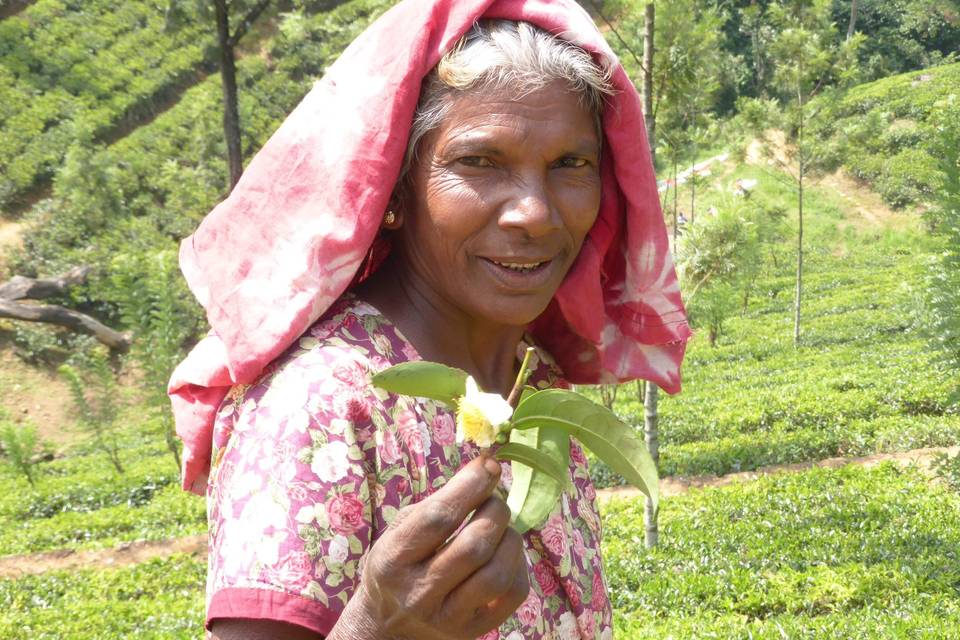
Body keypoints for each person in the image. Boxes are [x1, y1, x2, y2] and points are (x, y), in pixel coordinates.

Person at [168, 1, 691, 638]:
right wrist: (378, 627)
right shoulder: (320, 406)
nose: (535, 213)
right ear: (395, 190)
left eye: (569, 165)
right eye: (479, 161)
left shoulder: (538, 389)